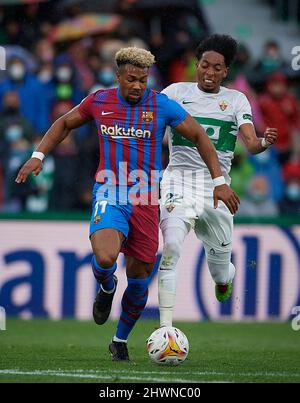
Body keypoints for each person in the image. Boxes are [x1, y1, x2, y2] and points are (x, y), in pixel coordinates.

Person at [15, 47, 238, 361]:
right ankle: (106, 287)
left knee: (139, 277)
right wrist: (38, 155)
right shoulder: (100, 101)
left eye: (143, 80)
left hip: (147, 199)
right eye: (131, 79)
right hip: (111, 191)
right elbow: (64, 124)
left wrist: (219, 181)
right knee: (105, 257)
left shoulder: (161, 105)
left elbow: (201, 136)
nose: (137, 86)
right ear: (117, 76)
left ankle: (119, 340)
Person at [158, 34, 277, 327]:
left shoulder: (236, 100)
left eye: (217, 68)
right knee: (171, 247)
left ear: (226, 71)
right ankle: (165, 330)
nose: (209, 73)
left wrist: (264, 142)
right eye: (204, 65)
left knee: (220, 273)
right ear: (196, 65)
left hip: (217, 189)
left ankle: (225, 277)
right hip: (178, 182)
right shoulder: (174, 92)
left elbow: (250, 143)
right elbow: (150, 125)